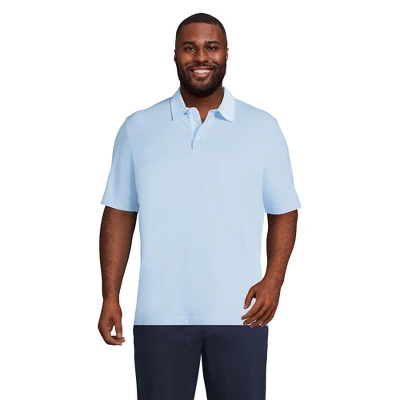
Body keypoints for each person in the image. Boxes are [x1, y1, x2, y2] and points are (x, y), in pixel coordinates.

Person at [98, 12, 300, 400]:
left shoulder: (262, 128)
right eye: (190, 48)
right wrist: (110, 295)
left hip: (242, 314)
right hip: (159, 315)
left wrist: (273, 281)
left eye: (212, 47)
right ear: (175, 55)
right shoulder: (138, 128)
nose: (201, 57)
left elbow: (283, 210)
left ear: (226, 54)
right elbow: (119, 213)